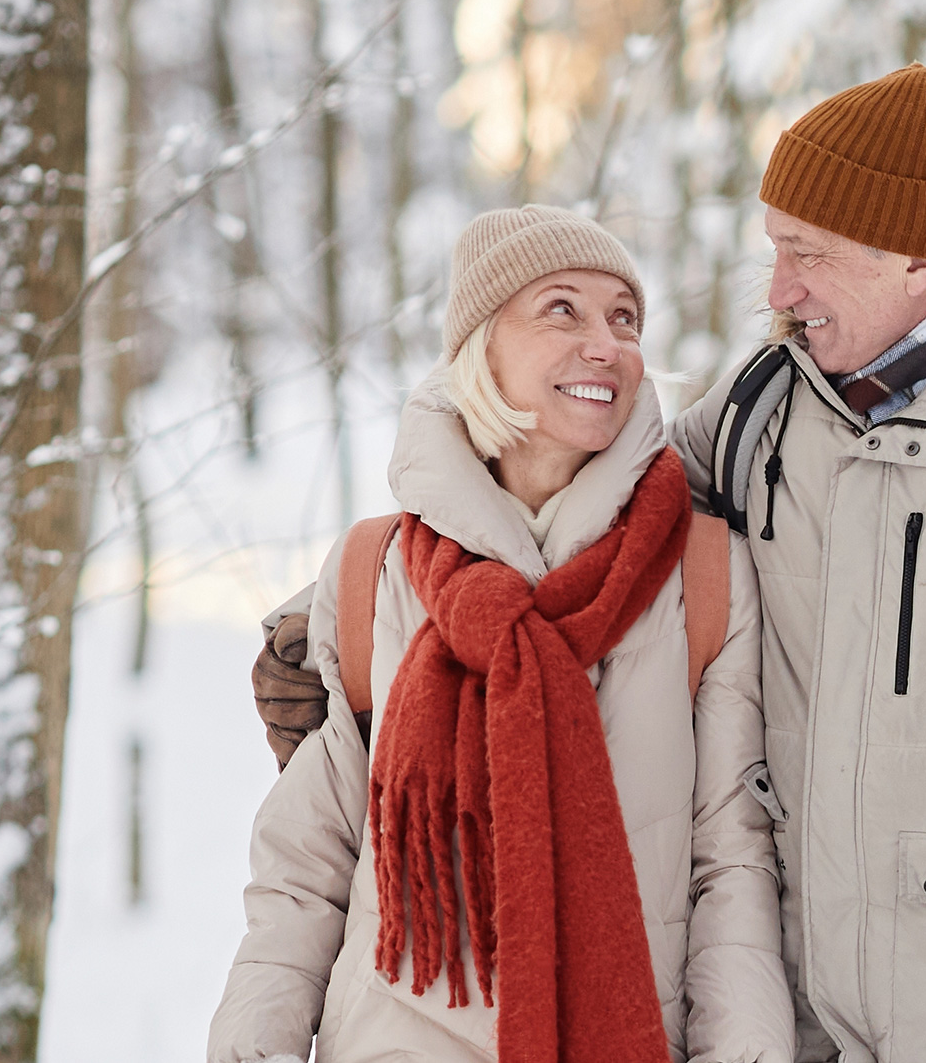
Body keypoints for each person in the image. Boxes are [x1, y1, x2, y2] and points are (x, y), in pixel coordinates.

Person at [253, 67, 926, 1063]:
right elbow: (563, 511)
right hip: (810, 1031)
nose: (778, 291)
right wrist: (337, 619)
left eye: (803, 254)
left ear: (911, 252)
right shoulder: (764, 409)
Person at [209, 206, 795, 1063]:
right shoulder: (374, 570)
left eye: (624, 319)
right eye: (561, 310)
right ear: (482, 345)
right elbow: (306, 868)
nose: (606, 344)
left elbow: (730, 868)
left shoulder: (701, 576)